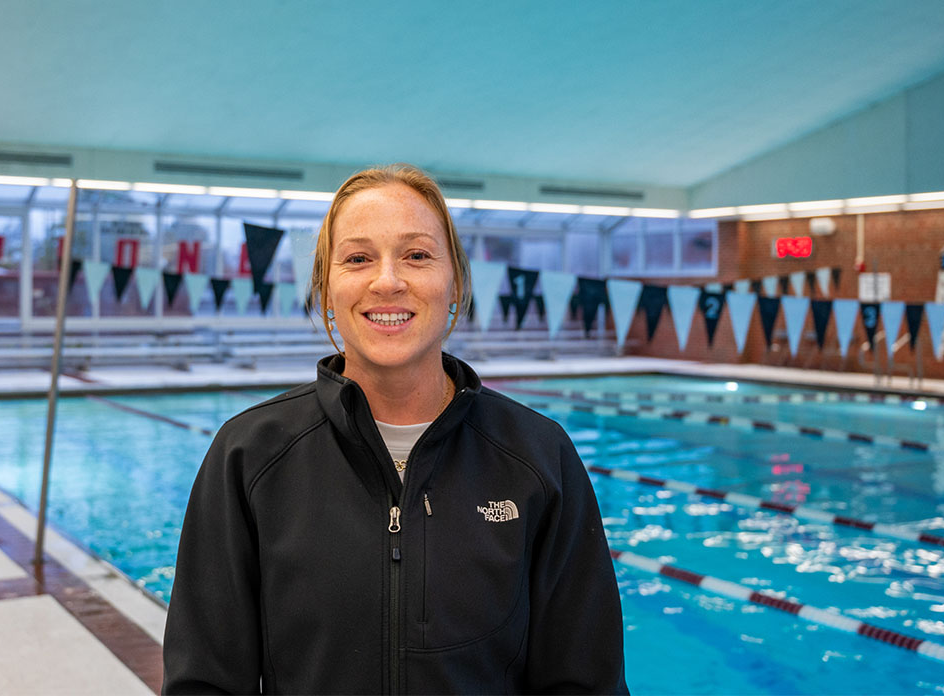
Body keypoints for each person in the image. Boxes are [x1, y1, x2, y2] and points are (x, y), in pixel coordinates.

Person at [162, 165, 627, 694]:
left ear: (455, 283)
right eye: (358, 258)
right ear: (326, 289)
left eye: (417, 255)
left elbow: (586, 681)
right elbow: (205, 683)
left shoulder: (538, 457)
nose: (387, 281)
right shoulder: (248, 456)